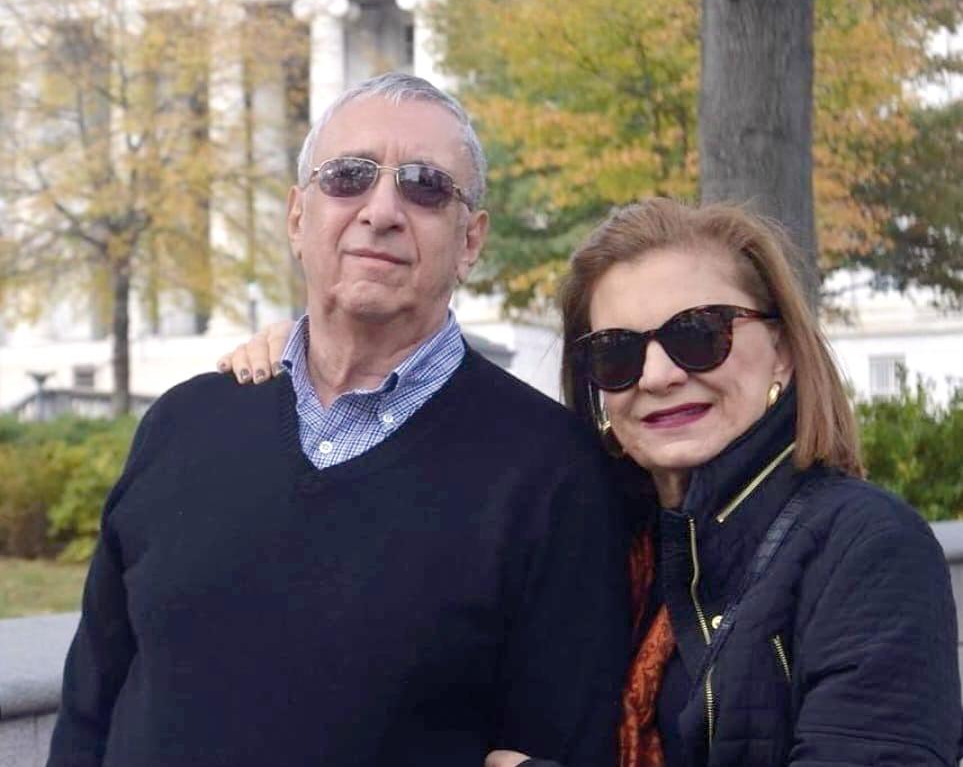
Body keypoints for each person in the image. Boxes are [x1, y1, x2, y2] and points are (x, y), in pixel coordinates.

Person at [228, 198, 963, 767]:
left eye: (699, 333)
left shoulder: (862, 548)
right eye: (615, 353)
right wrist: (312, 363)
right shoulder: (595, 535)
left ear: (781, 351)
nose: (659, 374)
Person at [48, 73, 631, 767]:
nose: (380, 209)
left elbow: (556, 742)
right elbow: (89, 708)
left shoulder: (552, 471)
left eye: (425, 186)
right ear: (298, 217)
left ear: (470, 239)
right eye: (348, 176)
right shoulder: (181, 425)